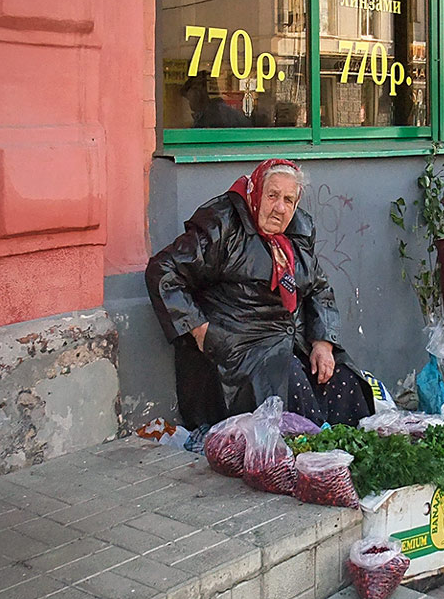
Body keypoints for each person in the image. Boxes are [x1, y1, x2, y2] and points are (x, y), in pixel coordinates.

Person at [146, 159, 373, 429]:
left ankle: (339, 459)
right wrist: (200, 330)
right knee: (290, 384)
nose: (280, 208)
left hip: (289, 339)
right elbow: (164, 271)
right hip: (239, 346)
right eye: (273, 195)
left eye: (289, 200)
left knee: (343, 379)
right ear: (256, 192)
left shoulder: (298, 230)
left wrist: (323, 342)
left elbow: (318, 287)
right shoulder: (223, 224)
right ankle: (303, 461)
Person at [181, 75, 253, 129]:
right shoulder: (218, 111)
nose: (189, 103)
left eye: (189, 99)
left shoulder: (215, 115)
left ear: (199, 93)